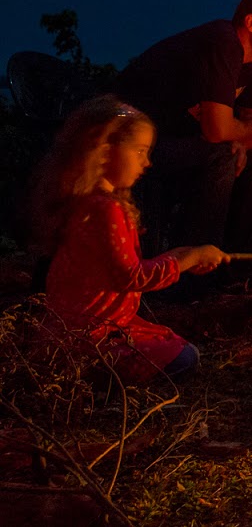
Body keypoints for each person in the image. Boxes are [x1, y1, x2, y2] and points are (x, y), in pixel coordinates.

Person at [32, 97, 228, 381]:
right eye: (139, 151)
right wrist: (188, 259)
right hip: (92, 333)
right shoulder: (105, 209)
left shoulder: (84, 201)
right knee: (185, 357)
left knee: (174, 344)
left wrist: (185, 254)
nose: (147, 162)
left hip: (72, 327)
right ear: (104, 151)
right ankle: (92, 372)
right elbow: (132, 277)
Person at [114, 0, 252, 263]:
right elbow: (219, 130)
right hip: (129, 142)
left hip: (179, 142)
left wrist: (238, 137)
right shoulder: (223, 41)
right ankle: (193, 268)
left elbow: (246, 135)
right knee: (221, 154)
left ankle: (243, 266)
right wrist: (248, 130)